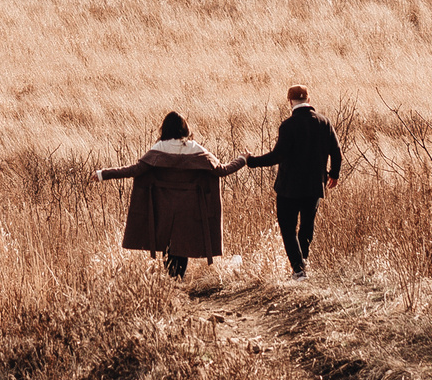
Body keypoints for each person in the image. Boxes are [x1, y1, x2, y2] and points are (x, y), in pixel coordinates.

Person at [95, 111, 245, 277]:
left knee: (168, 245)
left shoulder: (159, 149)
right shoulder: (195, 148)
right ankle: (177, 280)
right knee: (182, 246)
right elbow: (222, 170)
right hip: (190, 208)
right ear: (185, 128)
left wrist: (103, 174)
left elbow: (134, 170)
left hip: (164, 208)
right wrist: (242, 159)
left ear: (164, 129)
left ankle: (172, 282)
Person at [245, 86, 342, 277]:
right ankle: (302, 266)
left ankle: (299, 270)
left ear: (289, 101)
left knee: (288, 228)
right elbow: (337, 152)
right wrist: (334, 174)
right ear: (308, 98)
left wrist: (252, 161)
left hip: (289, 188)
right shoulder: (324, 122)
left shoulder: (288, 125)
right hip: (315, 186)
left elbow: (278, 156)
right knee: (306, 227)